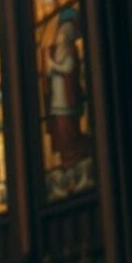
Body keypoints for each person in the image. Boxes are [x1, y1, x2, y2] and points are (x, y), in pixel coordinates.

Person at [45, 20, 88, 169]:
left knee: (68, 125)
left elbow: (68, 68)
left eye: (62, 34)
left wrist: (53, 65)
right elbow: (51, 73)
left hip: (67, 95)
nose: (58, 37)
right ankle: (65, 156)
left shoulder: (70, 50)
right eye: (58, 34)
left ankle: (74, 155)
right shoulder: (56, 51)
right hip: (57, 94)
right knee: (60, 125)